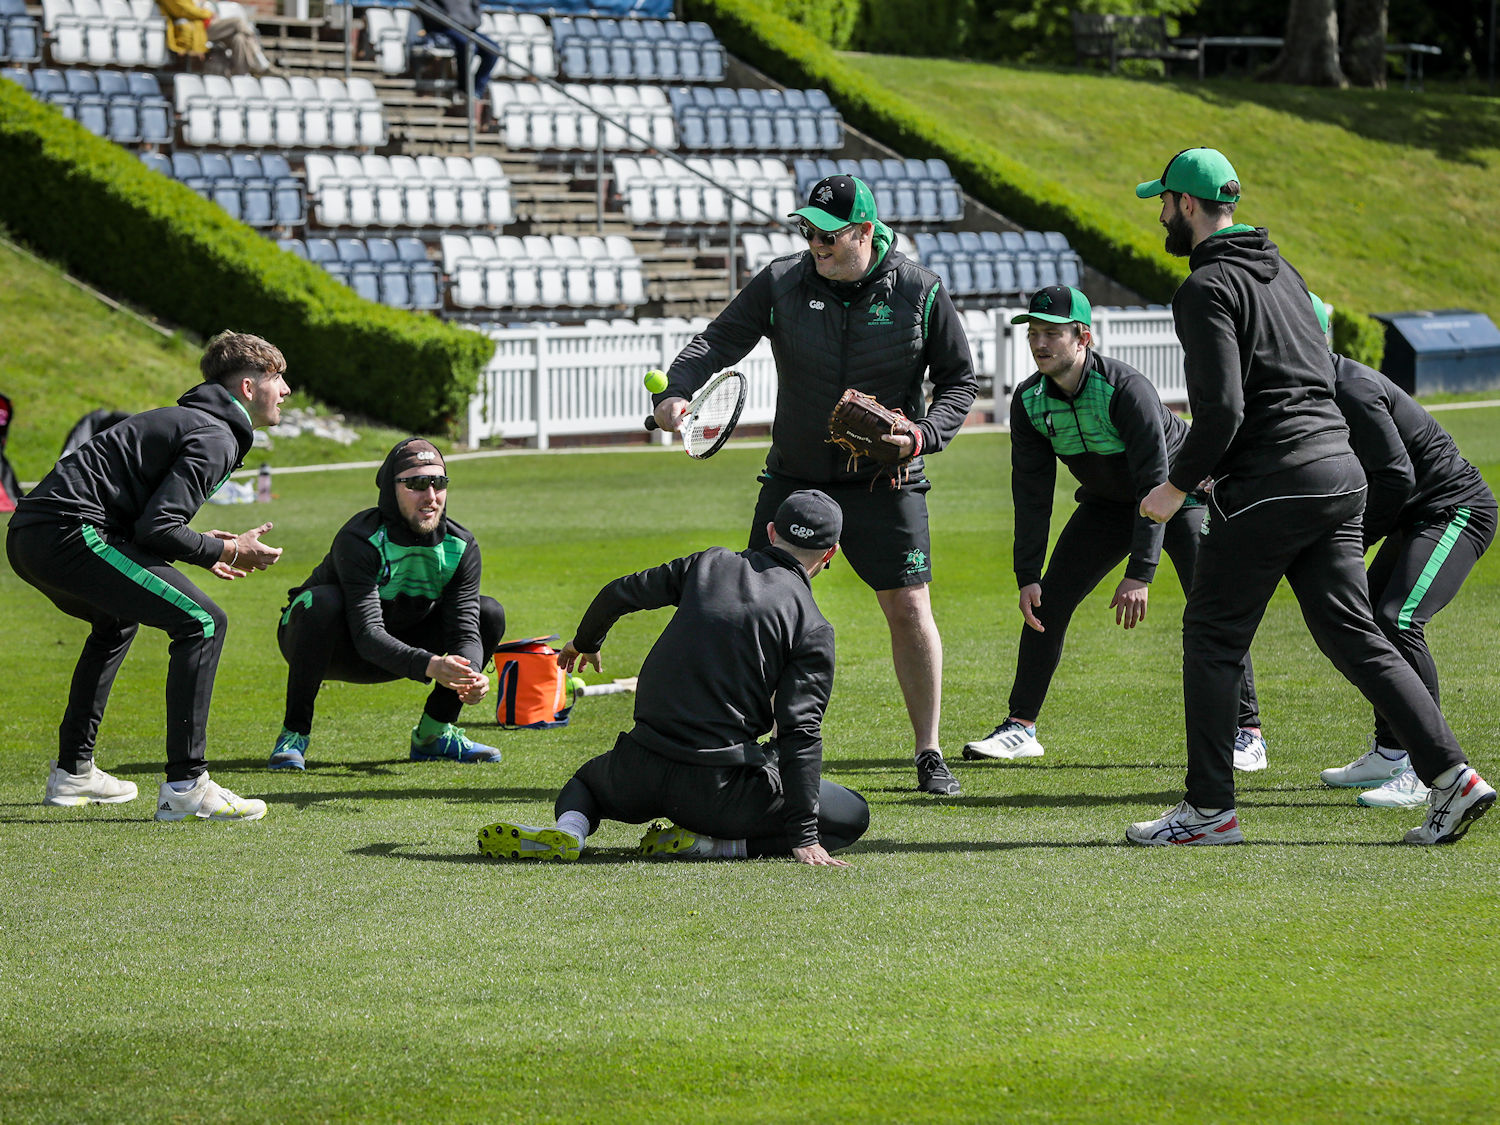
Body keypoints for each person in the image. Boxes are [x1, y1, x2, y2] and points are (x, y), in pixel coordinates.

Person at [1128, 147, 1492, 846]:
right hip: (1339, 475)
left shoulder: (1204, 289)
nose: (1162, 214)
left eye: (1165, 202)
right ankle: (1452, 776)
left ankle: (1209, 811)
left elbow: (1224, 410)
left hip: (1275, 482)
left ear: (1190, 206)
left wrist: (1174, 487)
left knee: (1211, 636)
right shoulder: (1284, 270)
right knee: (1355, 634)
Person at [652, 174, 978, 796]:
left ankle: (929, 752)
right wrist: (674, 391)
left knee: (908, 608)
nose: (815, 244)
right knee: (753, 608)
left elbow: (960, 383)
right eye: (807, 231)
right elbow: (715, 342)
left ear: (863, 232)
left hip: (887, 480)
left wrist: (922, 434)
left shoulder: (920, 290)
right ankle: (751, 744)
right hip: (796, 478)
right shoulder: (781, 281)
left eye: (828, 235)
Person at [963, 285, 1266, 769]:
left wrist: (1141, 573)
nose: (1040, 343)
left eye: (1053, 334)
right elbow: (1032, 496)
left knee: (1211, 607)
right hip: (1107, 504)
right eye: (1034, 333)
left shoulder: (1126, 390)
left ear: (1083, 337)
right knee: (1048, 602)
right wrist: (1027, 574)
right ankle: (1021, 727)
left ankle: (1247, 732)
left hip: (1178, 495)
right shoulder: (1029, 402)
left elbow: (1155, 480)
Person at [477, 490, 869, 865]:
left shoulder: (708, 564)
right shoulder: (813, 626)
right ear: (831, 553)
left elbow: (618, 593)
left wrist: (586, 641)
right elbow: (801, 732)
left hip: (638, 770)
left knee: (586, 783)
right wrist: (803, 835)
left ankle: (571, 831)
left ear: (770, 532)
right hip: (716, 793)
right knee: (852, 814)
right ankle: (711, 846)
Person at [7, 331, 288, 822]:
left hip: (31, 535)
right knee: (203, 622)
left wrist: (205, 547)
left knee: (117, 620)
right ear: (247, 387)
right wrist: (223, 547)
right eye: (277, 378)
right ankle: (187, 785)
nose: (285, 390)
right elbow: (157, 529)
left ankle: (74, 772)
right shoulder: (217, 433)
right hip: (66, 532)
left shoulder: (197, 421)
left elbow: (149, 524)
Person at [1308, 296, 1497, 807]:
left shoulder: (1351, 387)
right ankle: (1391, 750)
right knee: (1367, 619)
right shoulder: (1314, 388)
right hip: (1417, 516)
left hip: (1455, 511)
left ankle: (1426, 765)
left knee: (1398, 618)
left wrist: (1355, 540)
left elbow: (1395, 478)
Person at [271, 438, 504, 770]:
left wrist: (471, 673)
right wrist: (432, 666)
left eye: (439, 483)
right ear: (390, 490)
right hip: (328, 644)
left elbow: (464, 628)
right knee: (321, 602)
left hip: (399, 645)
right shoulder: (360, 539)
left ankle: (433, 735)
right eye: (416, 484)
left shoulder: (460, 546)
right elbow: (366, 633)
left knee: (489, 612)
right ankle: (293, 735)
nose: (431, 496)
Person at [418, 0, 501, 118]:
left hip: (468, 28)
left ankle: (476, 90)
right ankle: (464, 88)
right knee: (467, 46)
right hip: (445, 27)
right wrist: (449, 19)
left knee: (492, 50)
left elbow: (475, 6)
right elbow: (429, 6)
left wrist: (473, 21)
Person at [156, 0, 274, 76]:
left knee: (239, 38)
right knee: (237, 22)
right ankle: (259, 60)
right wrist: (208, 14)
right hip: (196, 32)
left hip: (203, 27)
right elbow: (184, 10)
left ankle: (241, 75)